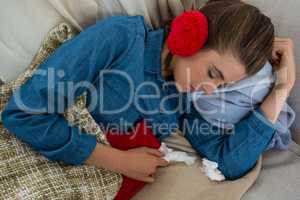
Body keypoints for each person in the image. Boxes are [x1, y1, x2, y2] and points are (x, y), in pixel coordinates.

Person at [1, 0, 296, 183]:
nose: (210, 90)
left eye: (223, 85)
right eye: (214, 73)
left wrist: (281, 89)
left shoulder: (188, 98)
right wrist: (117, 160)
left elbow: (228, 163)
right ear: (188, 35)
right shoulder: (120, 38)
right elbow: (22, 113)